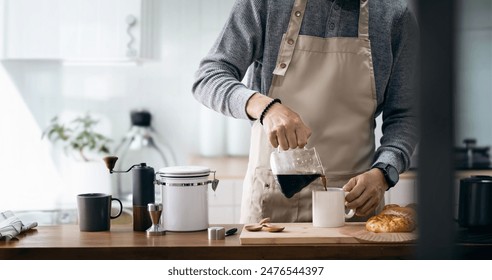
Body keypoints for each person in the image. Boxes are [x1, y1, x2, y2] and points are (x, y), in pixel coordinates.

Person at [192, 0, 419, 223]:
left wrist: (384, 172)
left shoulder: (394, 16)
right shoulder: (264, 4)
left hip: (352, 204)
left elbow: (405, 115)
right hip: (272, 201)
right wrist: (264, 107)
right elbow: (209, 76)